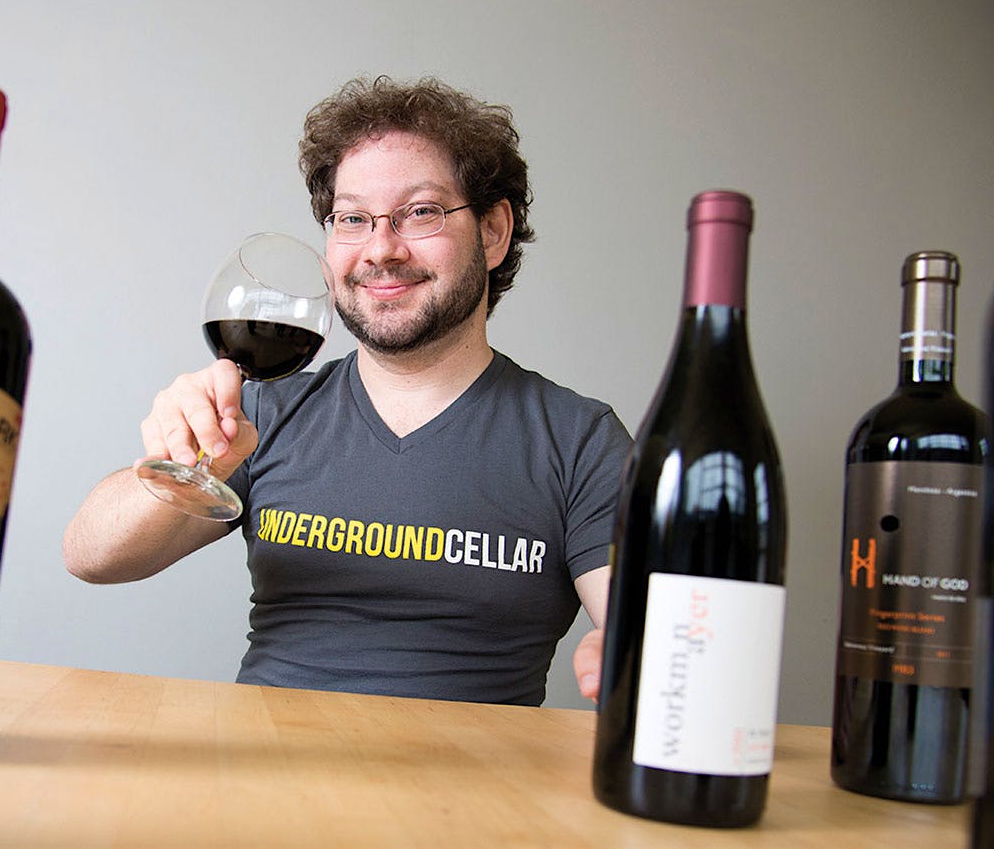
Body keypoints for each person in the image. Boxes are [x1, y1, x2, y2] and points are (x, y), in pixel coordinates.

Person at [63, 75, 631, 706]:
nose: (380, 249)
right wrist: (174, 470)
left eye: (420, 212)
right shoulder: (262, 416)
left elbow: (641, 623)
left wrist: (635, 647)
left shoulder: (578, 439)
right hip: (268, 778)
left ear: (493, 232)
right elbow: (90, 555)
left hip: (469, 792)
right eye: (353, 219)